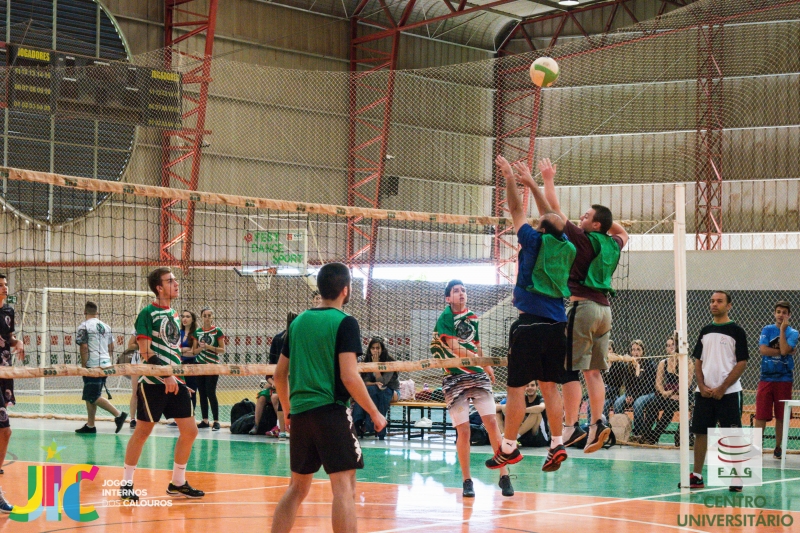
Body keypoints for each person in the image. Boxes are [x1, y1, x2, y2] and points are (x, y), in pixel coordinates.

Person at [271, 262, 386, 533]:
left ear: (321, 289)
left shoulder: (298, 322)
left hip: (301, 414)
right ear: (345, 290)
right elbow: (349, 376)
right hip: (331, 412)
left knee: (297, 488)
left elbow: (279, 375)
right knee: (344, 488)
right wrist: (374, 412)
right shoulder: (345, 322)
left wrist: (288, 411)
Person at [485, 156, 571, 474]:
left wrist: (510, 177)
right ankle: (557, 443)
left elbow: (515, 209)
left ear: (540, 228)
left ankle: (508, 447)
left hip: (530, 323)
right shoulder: (567, 246)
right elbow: (552, 217)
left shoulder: (534, 241)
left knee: (516, 389)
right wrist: (534, 184)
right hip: (558, 324)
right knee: (550, 388)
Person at [541, 157, 629, 453]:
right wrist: (605, 220)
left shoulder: (584, 239)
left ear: (596, 225)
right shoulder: (612, 243)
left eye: (587, 215)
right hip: (605, 311)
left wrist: (548, 179)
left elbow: (553, 209)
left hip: (584, 308)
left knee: (569, 370)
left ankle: (570, 427)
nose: (582, 217)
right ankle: (597, 423)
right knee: (594, 372)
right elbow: (623, 233)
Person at [121, 267, 204, 501]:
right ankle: (126, 483)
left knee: (190, 431)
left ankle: (177, 482)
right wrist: (166, 375)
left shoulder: (175, 314)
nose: (176, 284)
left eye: (175, 280)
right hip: (153, 382)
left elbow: (173, 351)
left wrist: (179, 380)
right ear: (159, 288)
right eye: (170, 281)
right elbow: (145, 351)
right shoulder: (147, 313)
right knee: (143, 432)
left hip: (175, 381)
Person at [431, 278, 513, 497]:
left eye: (464, 290)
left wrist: (487, 366)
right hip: (454, 377)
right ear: (448, 298)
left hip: (477, 375)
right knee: (464, 430)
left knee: (492, 422)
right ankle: (467, 480)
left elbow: (476, 345)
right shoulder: (446, 317)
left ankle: (504, 474)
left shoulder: (472, 317)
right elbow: (454, 346)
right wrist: (478, 360)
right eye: (456, 291)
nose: (461, 293)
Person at [684, 291, 748, 492]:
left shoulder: (737, 331)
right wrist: (701, 386)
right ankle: (697, 476)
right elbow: (698, 360)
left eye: (719, 301)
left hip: (729, 393)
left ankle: (737, 477)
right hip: (704, 393)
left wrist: (723, 387)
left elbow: (742, 362)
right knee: (700, 433)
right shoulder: (705, 331)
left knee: (733, 434)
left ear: (729, 306)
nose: (714, 304)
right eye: (712, 301)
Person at [75, 301, 127, 434]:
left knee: (92, 395)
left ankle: (119, 415)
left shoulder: (84, 326)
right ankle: (90, 425)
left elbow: (84, 347)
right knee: (90, 395)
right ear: (96, 312)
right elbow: (112, 347)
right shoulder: (106, 326)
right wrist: (106, 361)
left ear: (84, 312)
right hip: (105, 364)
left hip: (93, 365)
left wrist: (84, 365)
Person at [754, 300, 798, 459]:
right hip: (766, 377)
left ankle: (778, 448)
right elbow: (763, 350)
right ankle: (756, 448)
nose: (781, 315)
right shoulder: (767, 329)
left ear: (789, 315)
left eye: (784, 312)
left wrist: (782, 331)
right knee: (760, 415)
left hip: (784, 379)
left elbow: (785, 350)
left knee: (781, 416)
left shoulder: (793, 333)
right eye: (778, 312)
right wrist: (784, 351)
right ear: (774, 313)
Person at [0, 273, 24, 513]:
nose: (4, 288)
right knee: (5, 430)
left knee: (4, 432)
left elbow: (9, 337)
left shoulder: (8, 311)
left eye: (5, 284)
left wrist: (18, 343)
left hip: (4, 373)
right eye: (0, 285)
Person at [646, 338, 694, 445]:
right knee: (652, 405)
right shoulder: (663, 363)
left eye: (673, 344)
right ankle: (647, 434)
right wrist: (664, 392)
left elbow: (687, 384)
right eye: (668, 345)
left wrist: (674, 393)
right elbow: (658, 384)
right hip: (667, 394)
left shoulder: (688, 363)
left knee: (670, 406)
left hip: (684, 394)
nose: (671, 347)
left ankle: (657, 436)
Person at [352, 337, 400, 440]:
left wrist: (376, 365)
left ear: (382, 349)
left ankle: (362, 423)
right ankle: (370, 424)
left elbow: (383, 383)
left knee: (374, 391)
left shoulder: (390, 362)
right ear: (369, 349)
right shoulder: (367, 361)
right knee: (368, 390)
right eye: (373, 348)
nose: (375, 350)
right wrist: (374, 383)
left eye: (377, 348)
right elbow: (364, 382)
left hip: (391, 390)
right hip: (373, 389)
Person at [613, 340, 659, 442]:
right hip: (633, 393)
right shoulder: (629, 365)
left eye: (638, 349)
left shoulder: (649, 364)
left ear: (643, 351)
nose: (635, 352)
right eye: (633, 350)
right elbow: (627, 384)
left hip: (648, 393)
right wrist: (629, 395)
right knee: (618, 403)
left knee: (638, 403)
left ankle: (638, 433)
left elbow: (648, 386)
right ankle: (621, 432)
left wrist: (638, 371)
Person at [195, 307, 225, 431]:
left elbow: (222, 350)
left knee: (210, 392)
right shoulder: (197, 332)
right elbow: (194, 351)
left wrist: (208, 347)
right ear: (201, 317)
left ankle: (216, 421)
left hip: (212, 366)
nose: (207, 318)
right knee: (202, 393)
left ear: (212, 317)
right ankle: (205, 420)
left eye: (209, 315)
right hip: (200, 366)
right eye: (204, 315)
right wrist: (201, 348)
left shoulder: (217, 331)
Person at [496, 381, 550, 448]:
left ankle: (512, 438)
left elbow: (541, 408)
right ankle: (504, 437)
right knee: (499, 412)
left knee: (536, 413)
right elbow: (496, 408)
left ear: (537, 387)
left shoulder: (541, 398)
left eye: (532, 385)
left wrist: (521, 411)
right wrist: (505, 408)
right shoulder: (521, 399)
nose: (530, 388)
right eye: (527, 386)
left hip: (539, 437)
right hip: (524, 435)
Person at [179, 310, 199, 410]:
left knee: (192, 391)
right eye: (183, 316)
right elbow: (174, 350)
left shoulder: (196, 333)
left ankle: (191, 414)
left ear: (193, 319)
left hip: (192, 364)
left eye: (188, 316)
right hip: (179, 364)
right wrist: (186, 349)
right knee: (180, 391)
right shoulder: (179, 333)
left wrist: (182, 351)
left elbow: (193, 352)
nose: (185, 319)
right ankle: (180, 415)